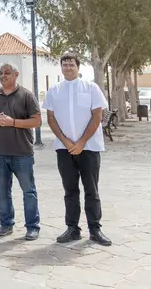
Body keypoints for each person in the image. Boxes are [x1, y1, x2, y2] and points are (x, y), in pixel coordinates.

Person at [44, 53, 112, 246]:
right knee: (70, 190)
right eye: (64, 65)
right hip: (64, 149)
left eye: (71, 64)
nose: (67, 68)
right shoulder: (54, 90)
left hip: (89, 147)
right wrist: (66, 142)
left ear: (78, 66)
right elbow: (51, 118)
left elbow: (97, 116)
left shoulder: (91, 88)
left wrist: (81, 142)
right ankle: (72, 228)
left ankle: (95, 229)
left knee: (91, 189)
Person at [0, 62, 42, 240]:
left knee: (28, 191)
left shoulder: (26, 95)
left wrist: (12, 122)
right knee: (2, 192)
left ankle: (32, 226)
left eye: (7, 73)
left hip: (22, 153)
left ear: (16, 74)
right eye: (1, 73)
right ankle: (6, 224)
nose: (3, 76)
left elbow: (37, 121)